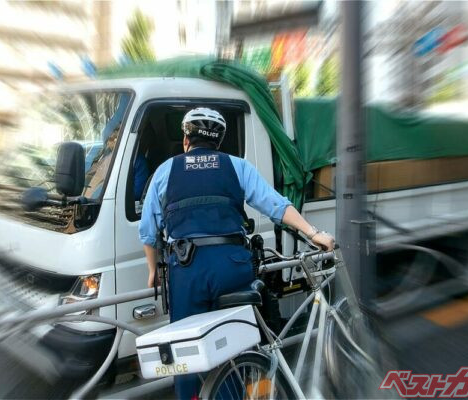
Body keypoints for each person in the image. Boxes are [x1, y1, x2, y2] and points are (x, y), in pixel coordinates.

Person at [139, 107, 334, 399]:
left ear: (185, 139)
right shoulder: (236, 166)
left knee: (185, 352)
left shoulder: (166, 171)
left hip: (187, 270)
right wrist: (313, 233)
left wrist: (152, 269)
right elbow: (276, 205)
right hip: (232, 265)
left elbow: (147, 230)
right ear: (219, 142)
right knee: (232, 346)